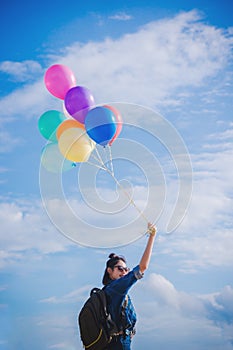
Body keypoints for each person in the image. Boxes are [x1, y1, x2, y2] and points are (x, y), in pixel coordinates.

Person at [102, 222, 157, 350]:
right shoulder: (117, 288)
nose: (124, 272)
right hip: (118, 344)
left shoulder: (109, 290)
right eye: (120, 269)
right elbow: (142, 268)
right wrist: (152, 236)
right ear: (109, 271)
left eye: (126, 270)